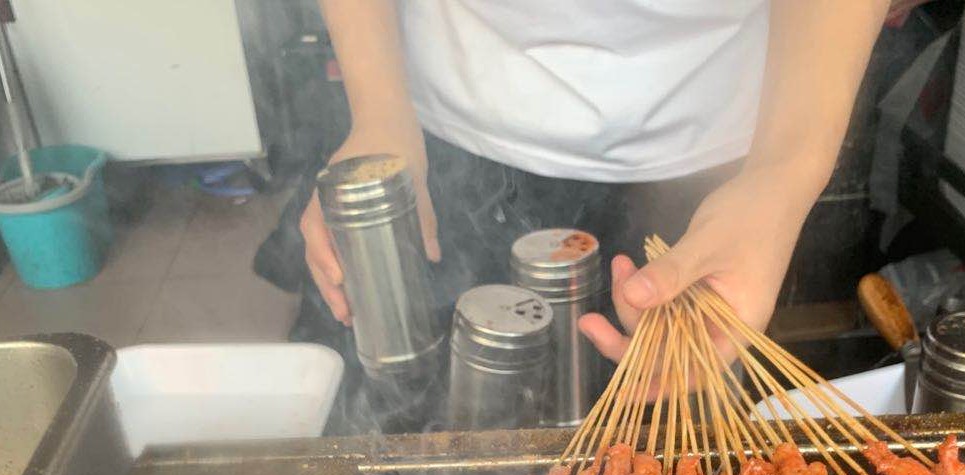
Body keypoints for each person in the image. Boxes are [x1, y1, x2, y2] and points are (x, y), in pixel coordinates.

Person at [301, 0, 893, 391]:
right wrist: (377, 115)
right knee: (428, 405)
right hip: (452, 137)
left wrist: (781, 179)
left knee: (683, 440)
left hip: (717, 169)